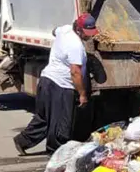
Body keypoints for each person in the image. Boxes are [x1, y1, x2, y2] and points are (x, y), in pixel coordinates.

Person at [14, 13, 98, 154]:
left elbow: (54, 31)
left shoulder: (65, 29)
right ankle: (56, 152)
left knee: (44, 118)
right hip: (61, 87)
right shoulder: (75, 45)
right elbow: (75, 72)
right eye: (86, 33)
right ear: (78, 29)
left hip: (47, 80)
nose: (89, 36)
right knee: (61, 124)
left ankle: (22, 141)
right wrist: (82, 94)